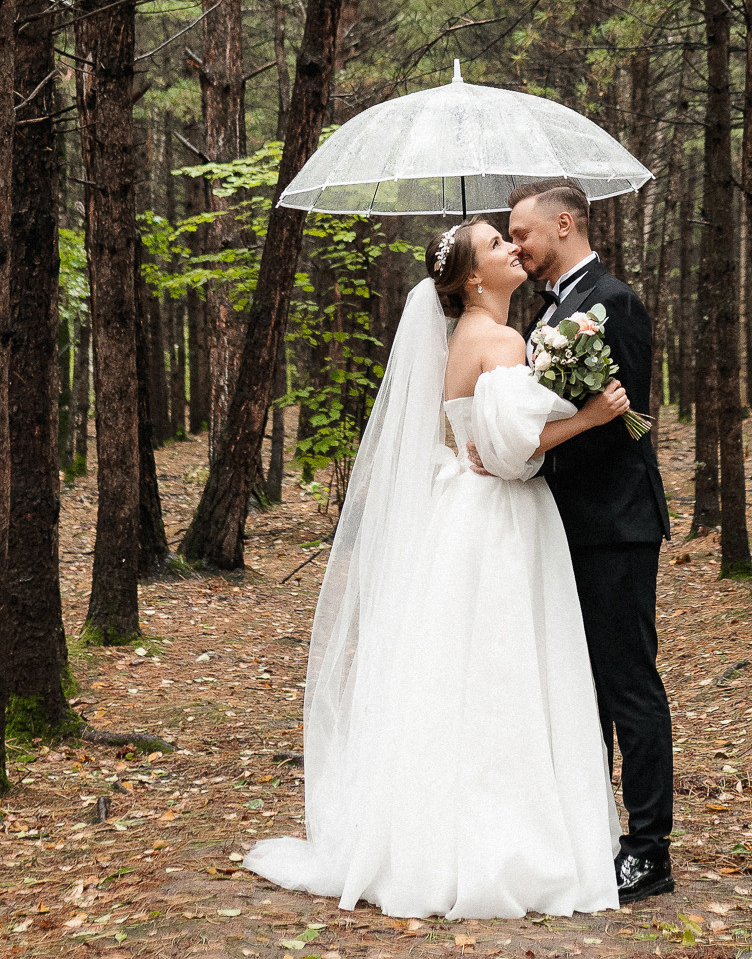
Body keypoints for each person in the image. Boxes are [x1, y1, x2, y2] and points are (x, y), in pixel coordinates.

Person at [244, 218, 630, 921]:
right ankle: (509, 843)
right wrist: (593, 416)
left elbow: (474, 437)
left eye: (511, 238)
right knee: (506, 671)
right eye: (496, 245)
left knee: (463, 675)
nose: (515, 248)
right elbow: (515, 454)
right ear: (475, 279)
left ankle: (440, 835)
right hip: (502, 520)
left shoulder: (460, 340)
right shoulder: (503, 339)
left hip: (466, 516)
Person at [499, 179, 675, 904]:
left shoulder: (615, 302)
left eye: (524, 233)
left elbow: (622, 418)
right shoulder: (548, 311)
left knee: (628, 686)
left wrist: (539, 454)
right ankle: (591, 832)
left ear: (563, 224)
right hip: (561, 527)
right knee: (581, 689)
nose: (516, 247)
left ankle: (649, 851)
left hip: (614, 525)